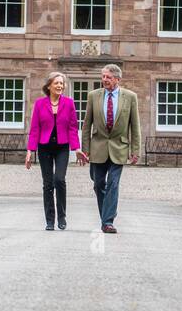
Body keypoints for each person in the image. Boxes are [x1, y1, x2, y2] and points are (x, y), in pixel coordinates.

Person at [78, 63, 141, 234]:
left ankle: (107, 221)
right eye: (103, 76)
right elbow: (86, 125)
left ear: (117, 79)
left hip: (119, 147)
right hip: (98, 147)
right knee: (98, 184)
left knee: (113, 184)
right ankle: (107, 215)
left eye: (108, 77)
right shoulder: (93, 96)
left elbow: (135, 126)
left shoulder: (130, 96)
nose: (104, 80)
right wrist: (85, 149)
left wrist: (135, 151)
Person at [25, 71, 79, 230]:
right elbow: (35, 129)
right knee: (48, 184)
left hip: (62, 146)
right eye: (57, 83)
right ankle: (49, 220)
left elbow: (72, 128)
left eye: (62, 83)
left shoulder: (69, 103)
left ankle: (62, 217)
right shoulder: (40, 104)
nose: (60, 86)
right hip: (44, 147)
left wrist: (76, 148)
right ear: (49, 86)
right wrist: (30, 150)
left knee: (59, 180)